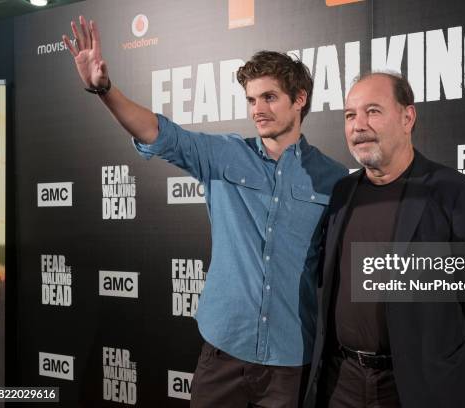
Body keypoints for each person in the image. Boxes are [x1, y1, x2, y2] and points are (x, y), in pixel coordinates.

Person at [63, 16, 347, 408]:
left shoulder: (333, 179)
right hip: (224, 352)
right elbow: (158, 133)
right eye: (251, 99)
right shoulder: (224, 154)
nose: (257, 110)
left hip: (289, 360)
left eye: (269, 97)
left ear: (299, 99)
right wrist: (105, 90)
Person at [304, 72, 465, 408]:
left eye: (373, 111)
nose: (358, 126)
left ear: (407, 117)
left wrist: (444, 362)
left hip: (417, 387)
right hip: (342, 382)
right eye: (350, 115)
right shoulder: (342, 192)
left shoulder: (455, 192)